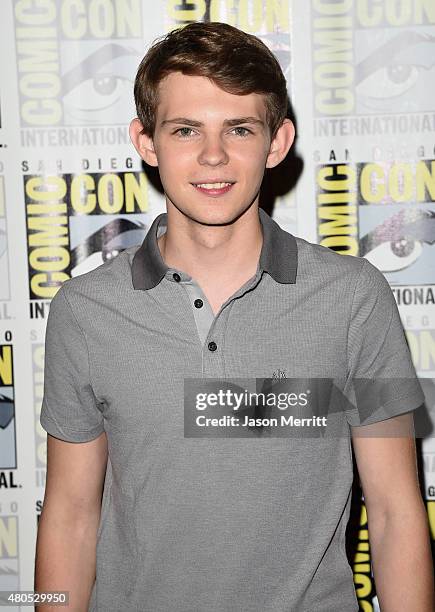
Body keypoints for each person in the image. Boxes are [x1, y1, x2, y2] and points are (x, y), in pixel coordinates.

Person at [35, 21, 434, 612]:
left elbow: (398, 511)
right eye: (186, 129)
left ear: (276, 142)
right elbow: (68, 515)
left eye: (239, 128)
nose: (213, 155)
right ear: (146, 142)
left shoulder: (357, 298)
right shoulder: (84, 311)